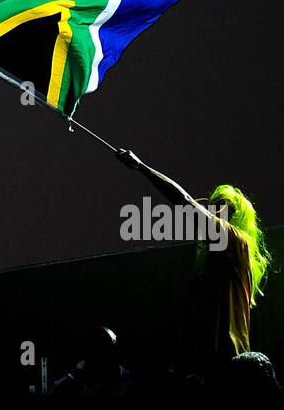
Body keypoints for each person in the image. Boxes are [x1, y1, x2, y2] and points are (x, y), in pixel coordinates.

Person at [116, 148, 272, 374]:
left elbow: (185, 201)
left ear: (236, 215)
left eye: (222, 206)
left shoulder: (234, 240)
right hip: (212, 365)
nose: (213, 210)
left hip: (226, 367)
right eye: (213, 205)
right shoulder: (219, 255)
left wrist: (141, 167)